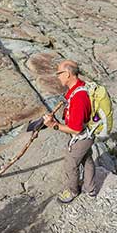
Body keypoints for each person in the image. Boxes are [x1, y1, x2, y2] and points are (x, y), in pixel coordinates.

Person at [43, 59, 95, 204]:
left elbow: (76, 129)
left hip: (83, 136)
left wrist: (54, 125)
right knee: (86, 158)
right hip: (89, 132)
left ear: (67, 73)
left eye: (59, 73)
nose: (57, 76)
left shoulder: (79, 97)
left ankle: (73, 191)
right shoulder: (78, 87)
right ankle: (90, 189)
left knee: (70, 163)